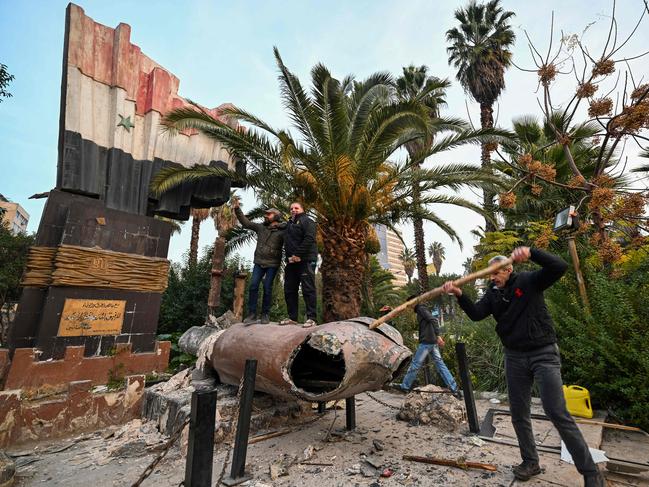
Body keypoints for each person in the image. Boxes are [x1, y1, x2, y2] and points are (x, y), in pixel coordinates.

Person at [442, 247, 604, 486]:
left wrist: (532, 252)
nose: (492, 278)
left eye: (496, 273)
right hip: (514, 357)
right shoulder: (492, 294)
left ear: (509, 269)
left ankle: (591, 472)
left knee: (556, 411)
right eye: (490, 275)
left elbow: (559, 267)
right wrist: (459, 294)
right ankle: (531, 462)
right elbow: (476, 314)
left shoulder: (529, 281)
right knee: (519, 413)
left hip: (543, 353)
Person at [233, 198, 285, 324]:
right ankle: (252, 314)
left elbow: (292, 233)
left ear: (276, 216)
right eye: (265, 214)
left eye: (269, 214)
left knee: (267, 287)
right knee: (253, 286)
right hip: (259, 262)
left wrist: (284, 225)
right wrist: (237, 209)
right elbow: (246, 223)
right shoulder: (261, 227)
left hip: (272, 264)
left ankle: (265, 314)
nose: (265, 216)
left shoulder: (283, 230)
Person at [396, 295, 460, 397]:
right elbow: (429, 323)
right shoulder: (422, 308)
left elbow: (433, 320)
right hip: (432, 342)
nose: (409, 307)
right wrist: (436, 337)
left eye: (409, 304)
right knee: (440, 365)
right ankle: (454, 389)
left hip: (426, 343)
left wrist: (438, 336)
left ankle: (405, 386)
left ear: (414, 302)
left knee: (416, 364)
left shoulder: (421, 308)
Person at [281, 202, 318, 327]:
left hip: (305, 260)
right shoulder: (289, 224)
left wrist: (298, 255)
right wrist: (290, 258)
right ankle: (292, 318)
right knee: (289, 289)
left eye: (296, 208)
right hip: (291, 261)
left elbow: (309, 239)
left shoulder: (307, 221)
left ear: (302, 209)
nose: (293, 210)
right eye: (291, 208)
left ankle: (312, 318)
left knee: (308, 288)